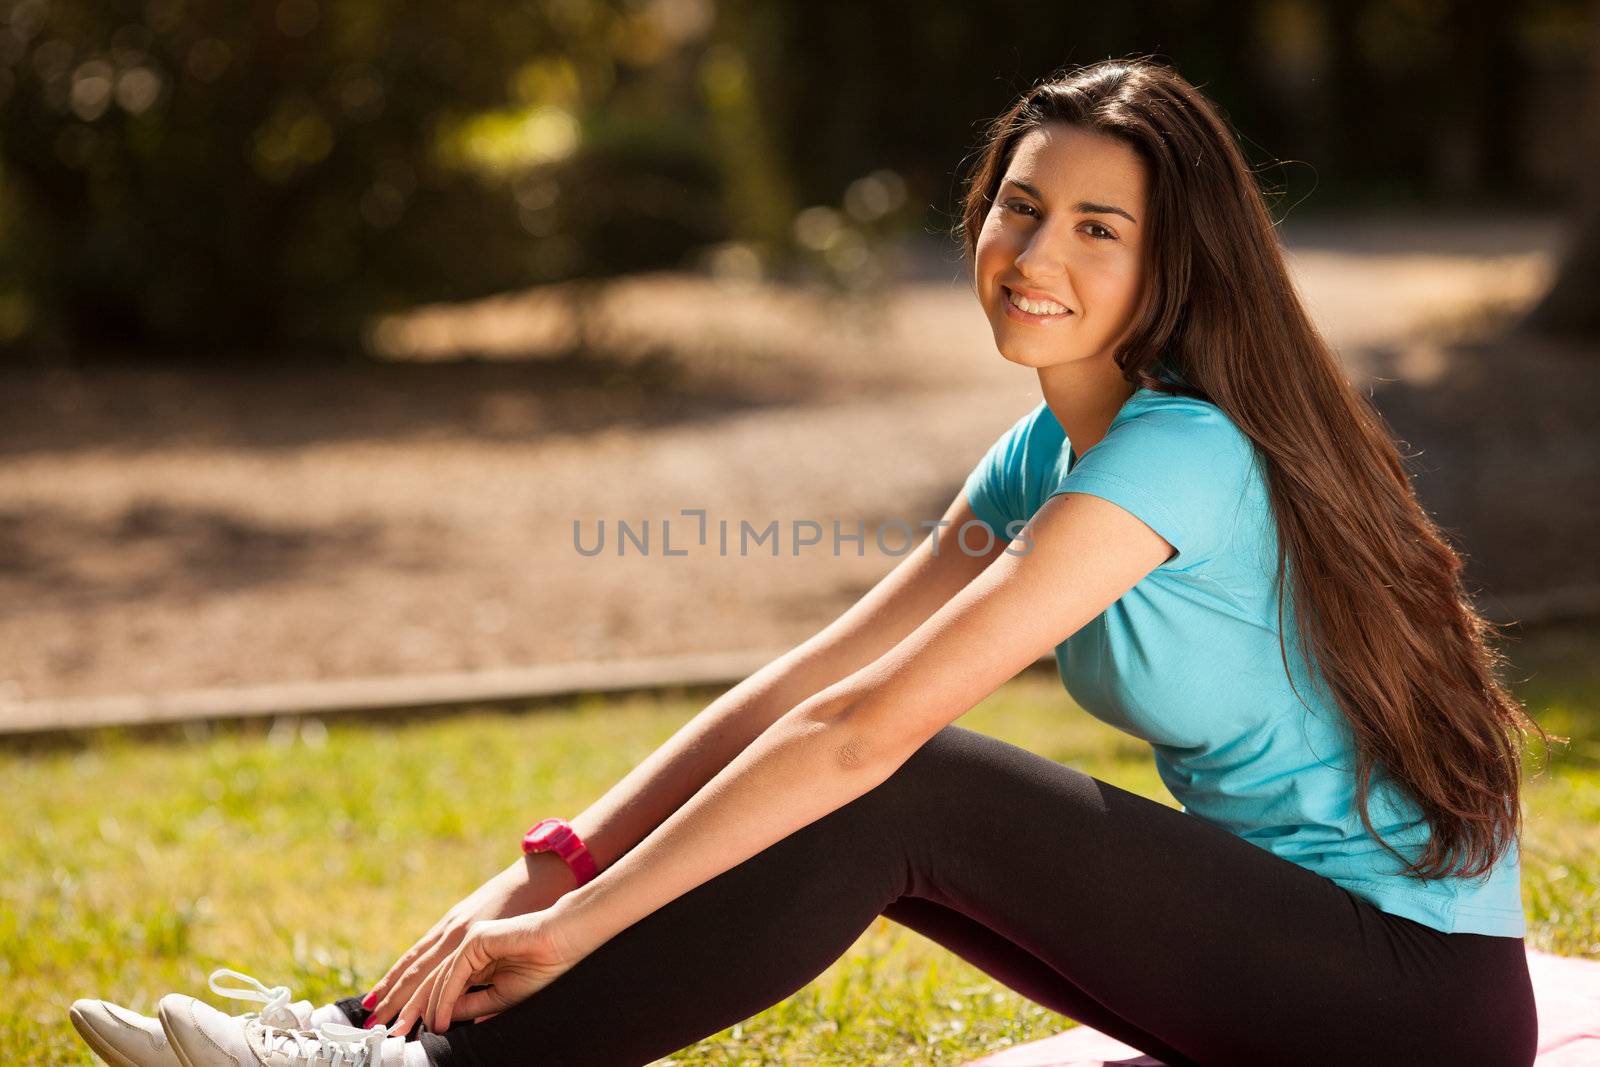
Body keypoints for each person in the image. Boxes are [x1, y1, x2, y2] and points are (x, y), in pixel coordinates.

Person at [68, 56, 1552, 1067]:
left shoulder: (1184, 453)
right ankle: (365, 1038)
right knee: (872, 794)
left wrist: (573, 931)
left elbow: (863, 734)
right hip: (1294, 958)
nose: (1036, 253)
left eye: (1101, 227)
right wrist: (543, 870)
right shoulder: (1048, 452)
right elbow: (806, 678)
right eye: (1020, 206)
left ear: (1176, 268)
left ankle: (407, 1064)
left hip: (1405, 1002)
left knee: (908, 782)